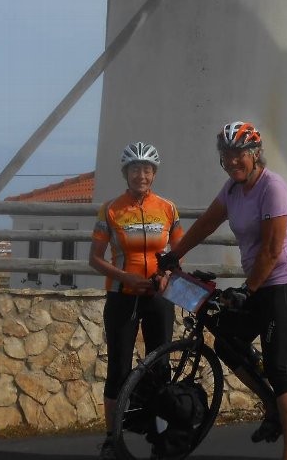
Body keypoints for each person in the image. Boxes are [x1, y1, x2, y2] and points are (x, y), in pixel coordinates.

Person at [159, 121, 287, 460]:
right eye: (226, 155)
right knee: (226, 338)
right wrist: (173, 255)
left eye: (238, 154)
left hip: (284, 282)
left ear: (254, 154)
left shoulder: (273, 187)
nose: (231, 161)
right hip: (256, 284)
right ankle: (272, 405)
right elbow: (206, 224)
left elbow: (271, 250)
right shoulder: (231, 190)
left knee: (279, 369)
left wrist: (247, 290)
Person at [89, 141, 183, 460]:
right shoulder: (111, 209)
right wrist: (124, 276)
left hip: (158, 296)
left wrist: (168, 276)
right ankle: (112, 439)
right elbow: (94, 258)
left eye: (146, 170)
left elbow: (177, 254)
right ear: (125, 173)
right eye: (134, 170)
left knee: (161, 368)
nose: (140, 175)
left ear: (153, 174)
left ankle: (161, 437)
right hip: (122, 296)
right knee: (118, 369)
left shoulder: (168, 208)